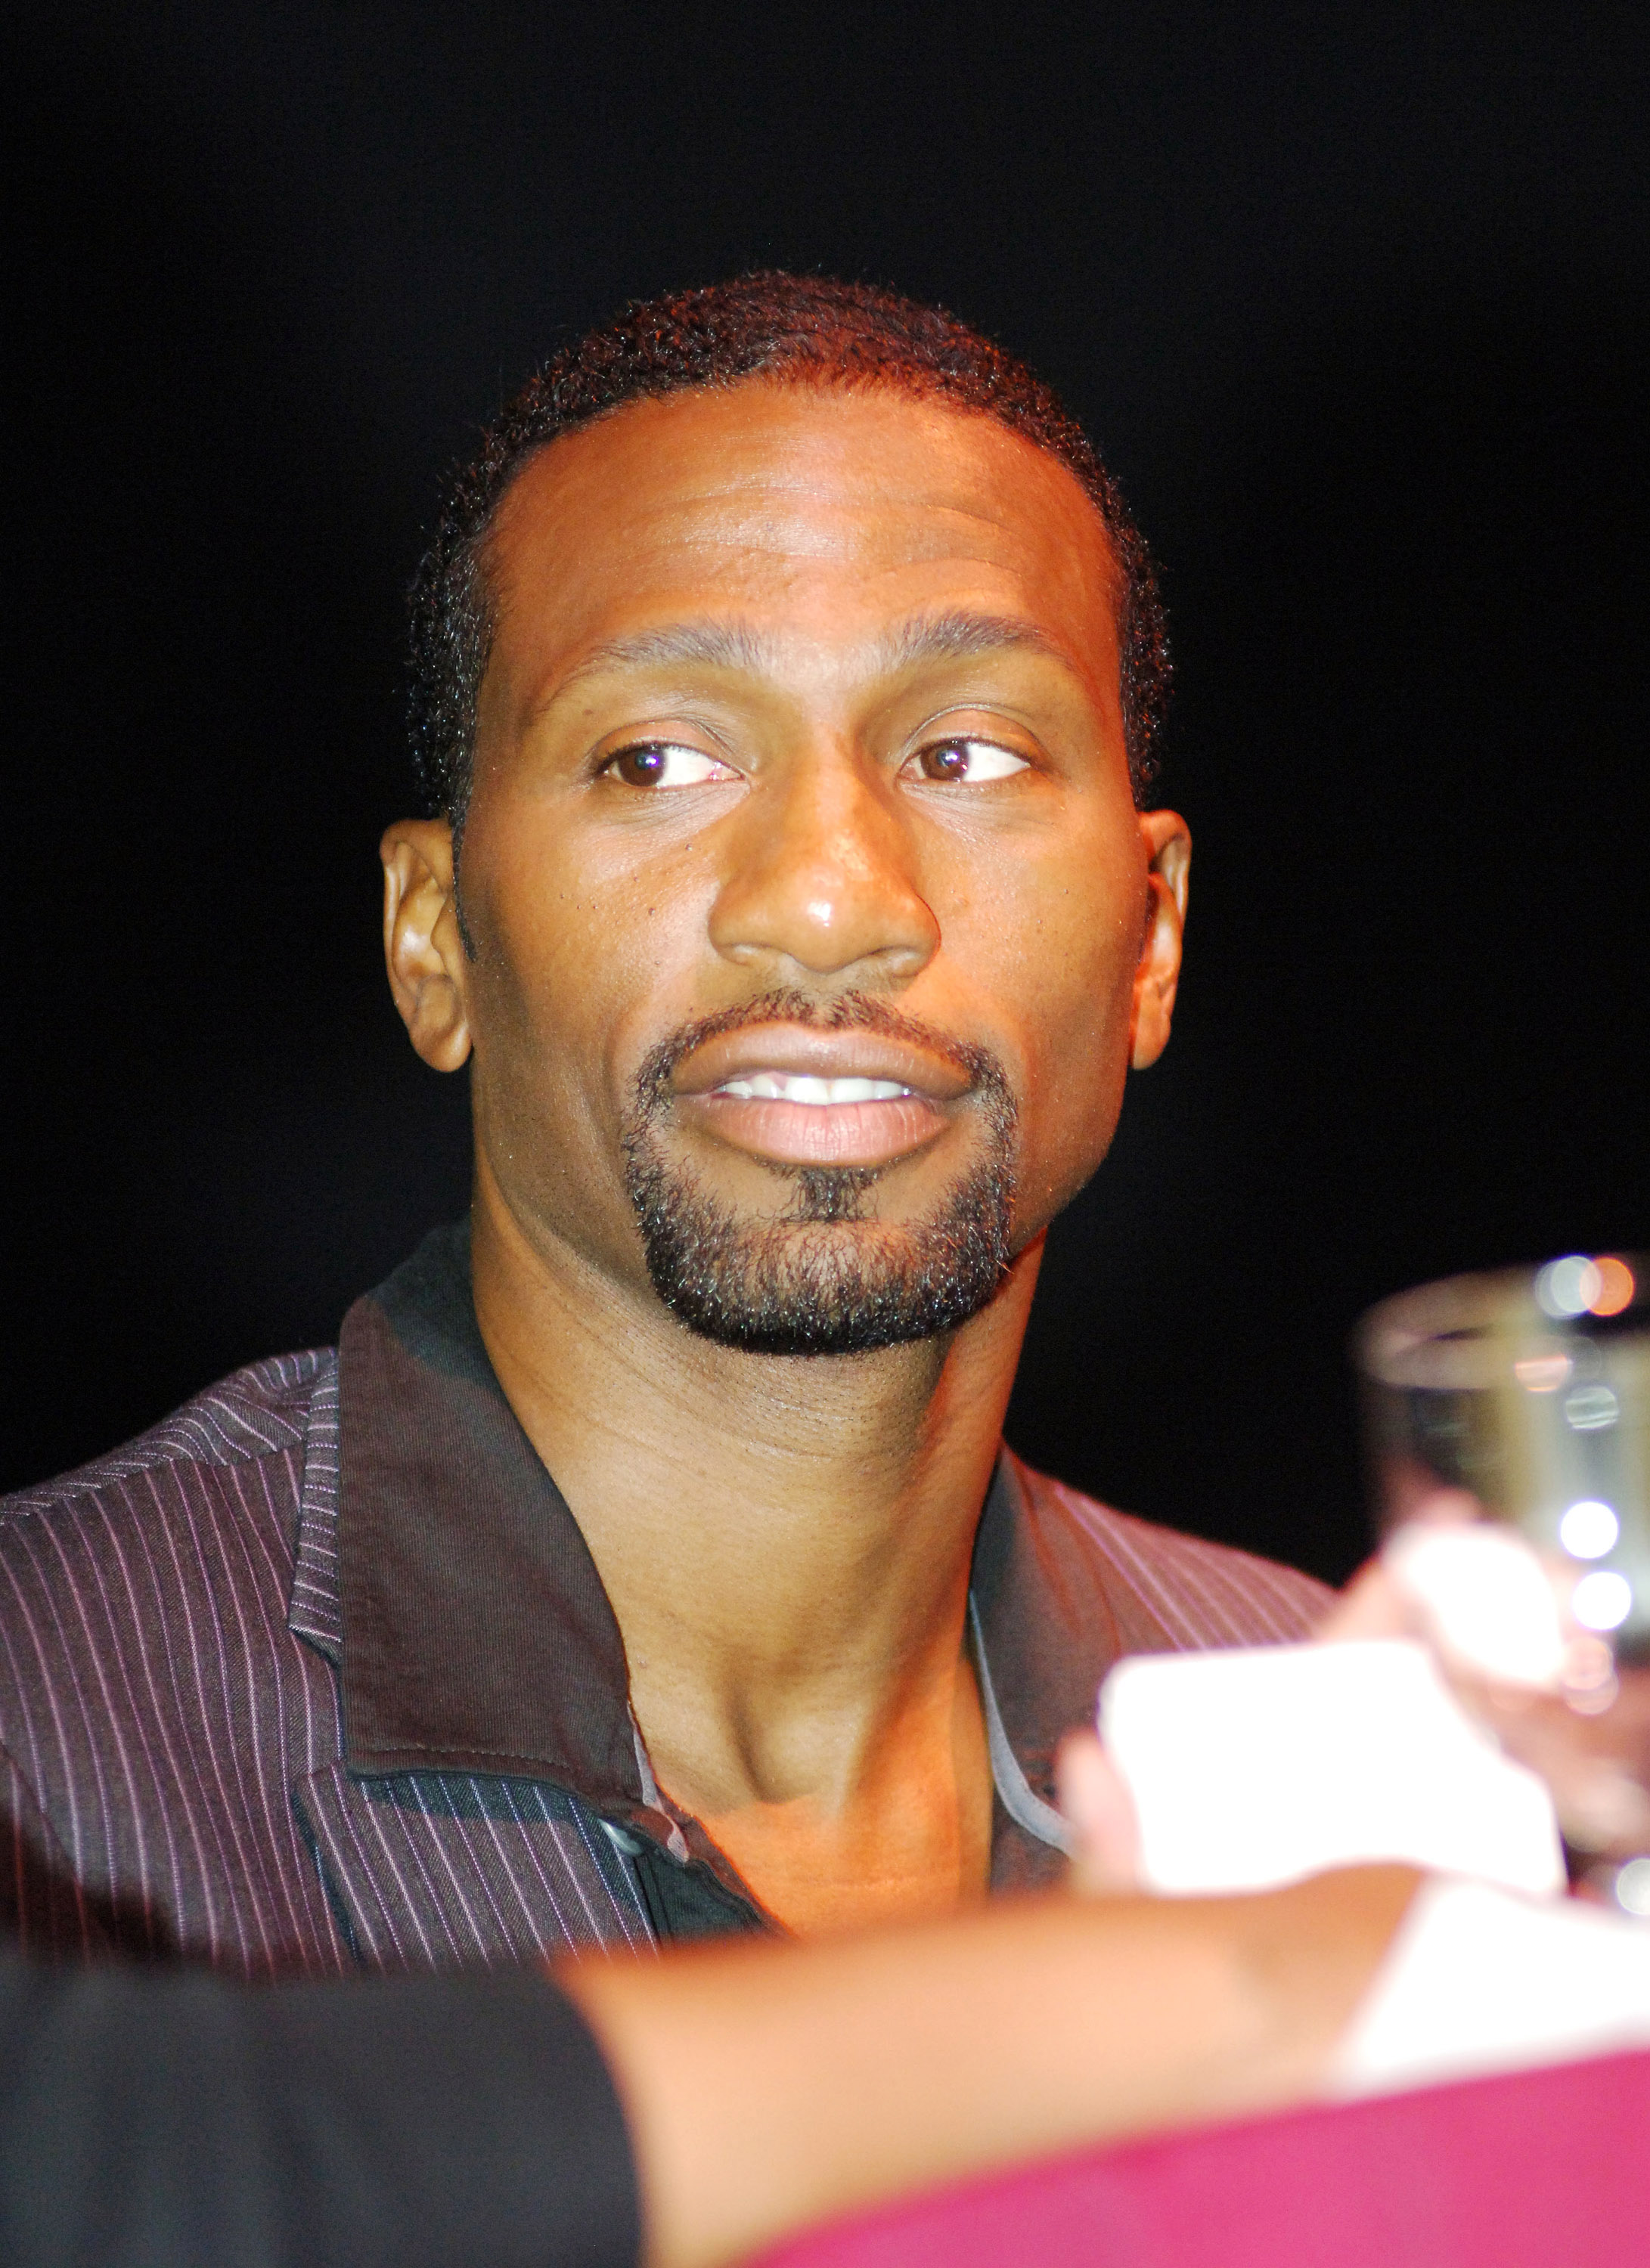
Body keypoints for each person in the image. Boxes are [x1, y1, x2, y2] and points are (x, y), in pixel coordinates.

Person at [0, 273, 1327, 1974]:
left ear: (1151, 939)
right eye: (655, 761)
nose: (831, 904)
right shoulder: (50, 1745)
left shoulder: (1347, 1775)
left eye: (966, 754)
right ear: (433, 943)